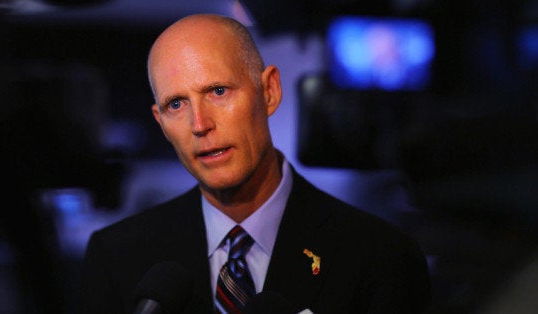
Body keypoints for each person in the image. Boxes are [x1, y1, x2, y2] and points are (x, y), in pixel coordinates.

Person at [80, 13, 430, 313]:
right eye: (176, 104)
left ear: (269, 92)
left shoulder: (381, 256)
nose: (199, 124)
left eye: (217, 91)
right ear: (160, 123)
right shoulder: (115, 257)